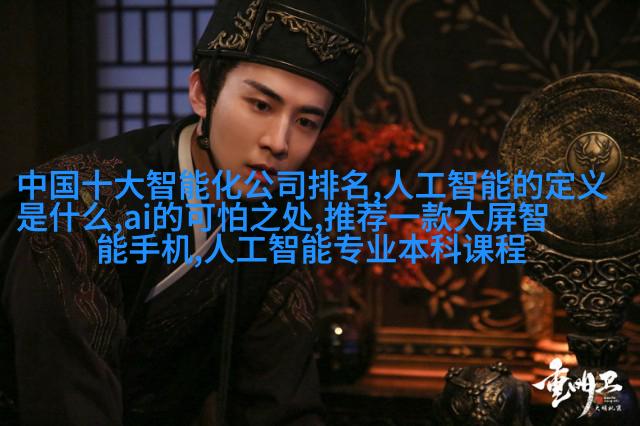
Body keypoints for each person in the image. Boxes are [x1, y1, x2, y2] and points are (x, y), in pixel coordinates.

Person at [0, 0, 368, 424]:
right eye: (261, 105)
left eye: (306, 122)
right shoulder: (74, 207)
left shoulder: (276, 226)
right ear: (201, 93)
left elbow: (282, 404)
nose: (279, 142)